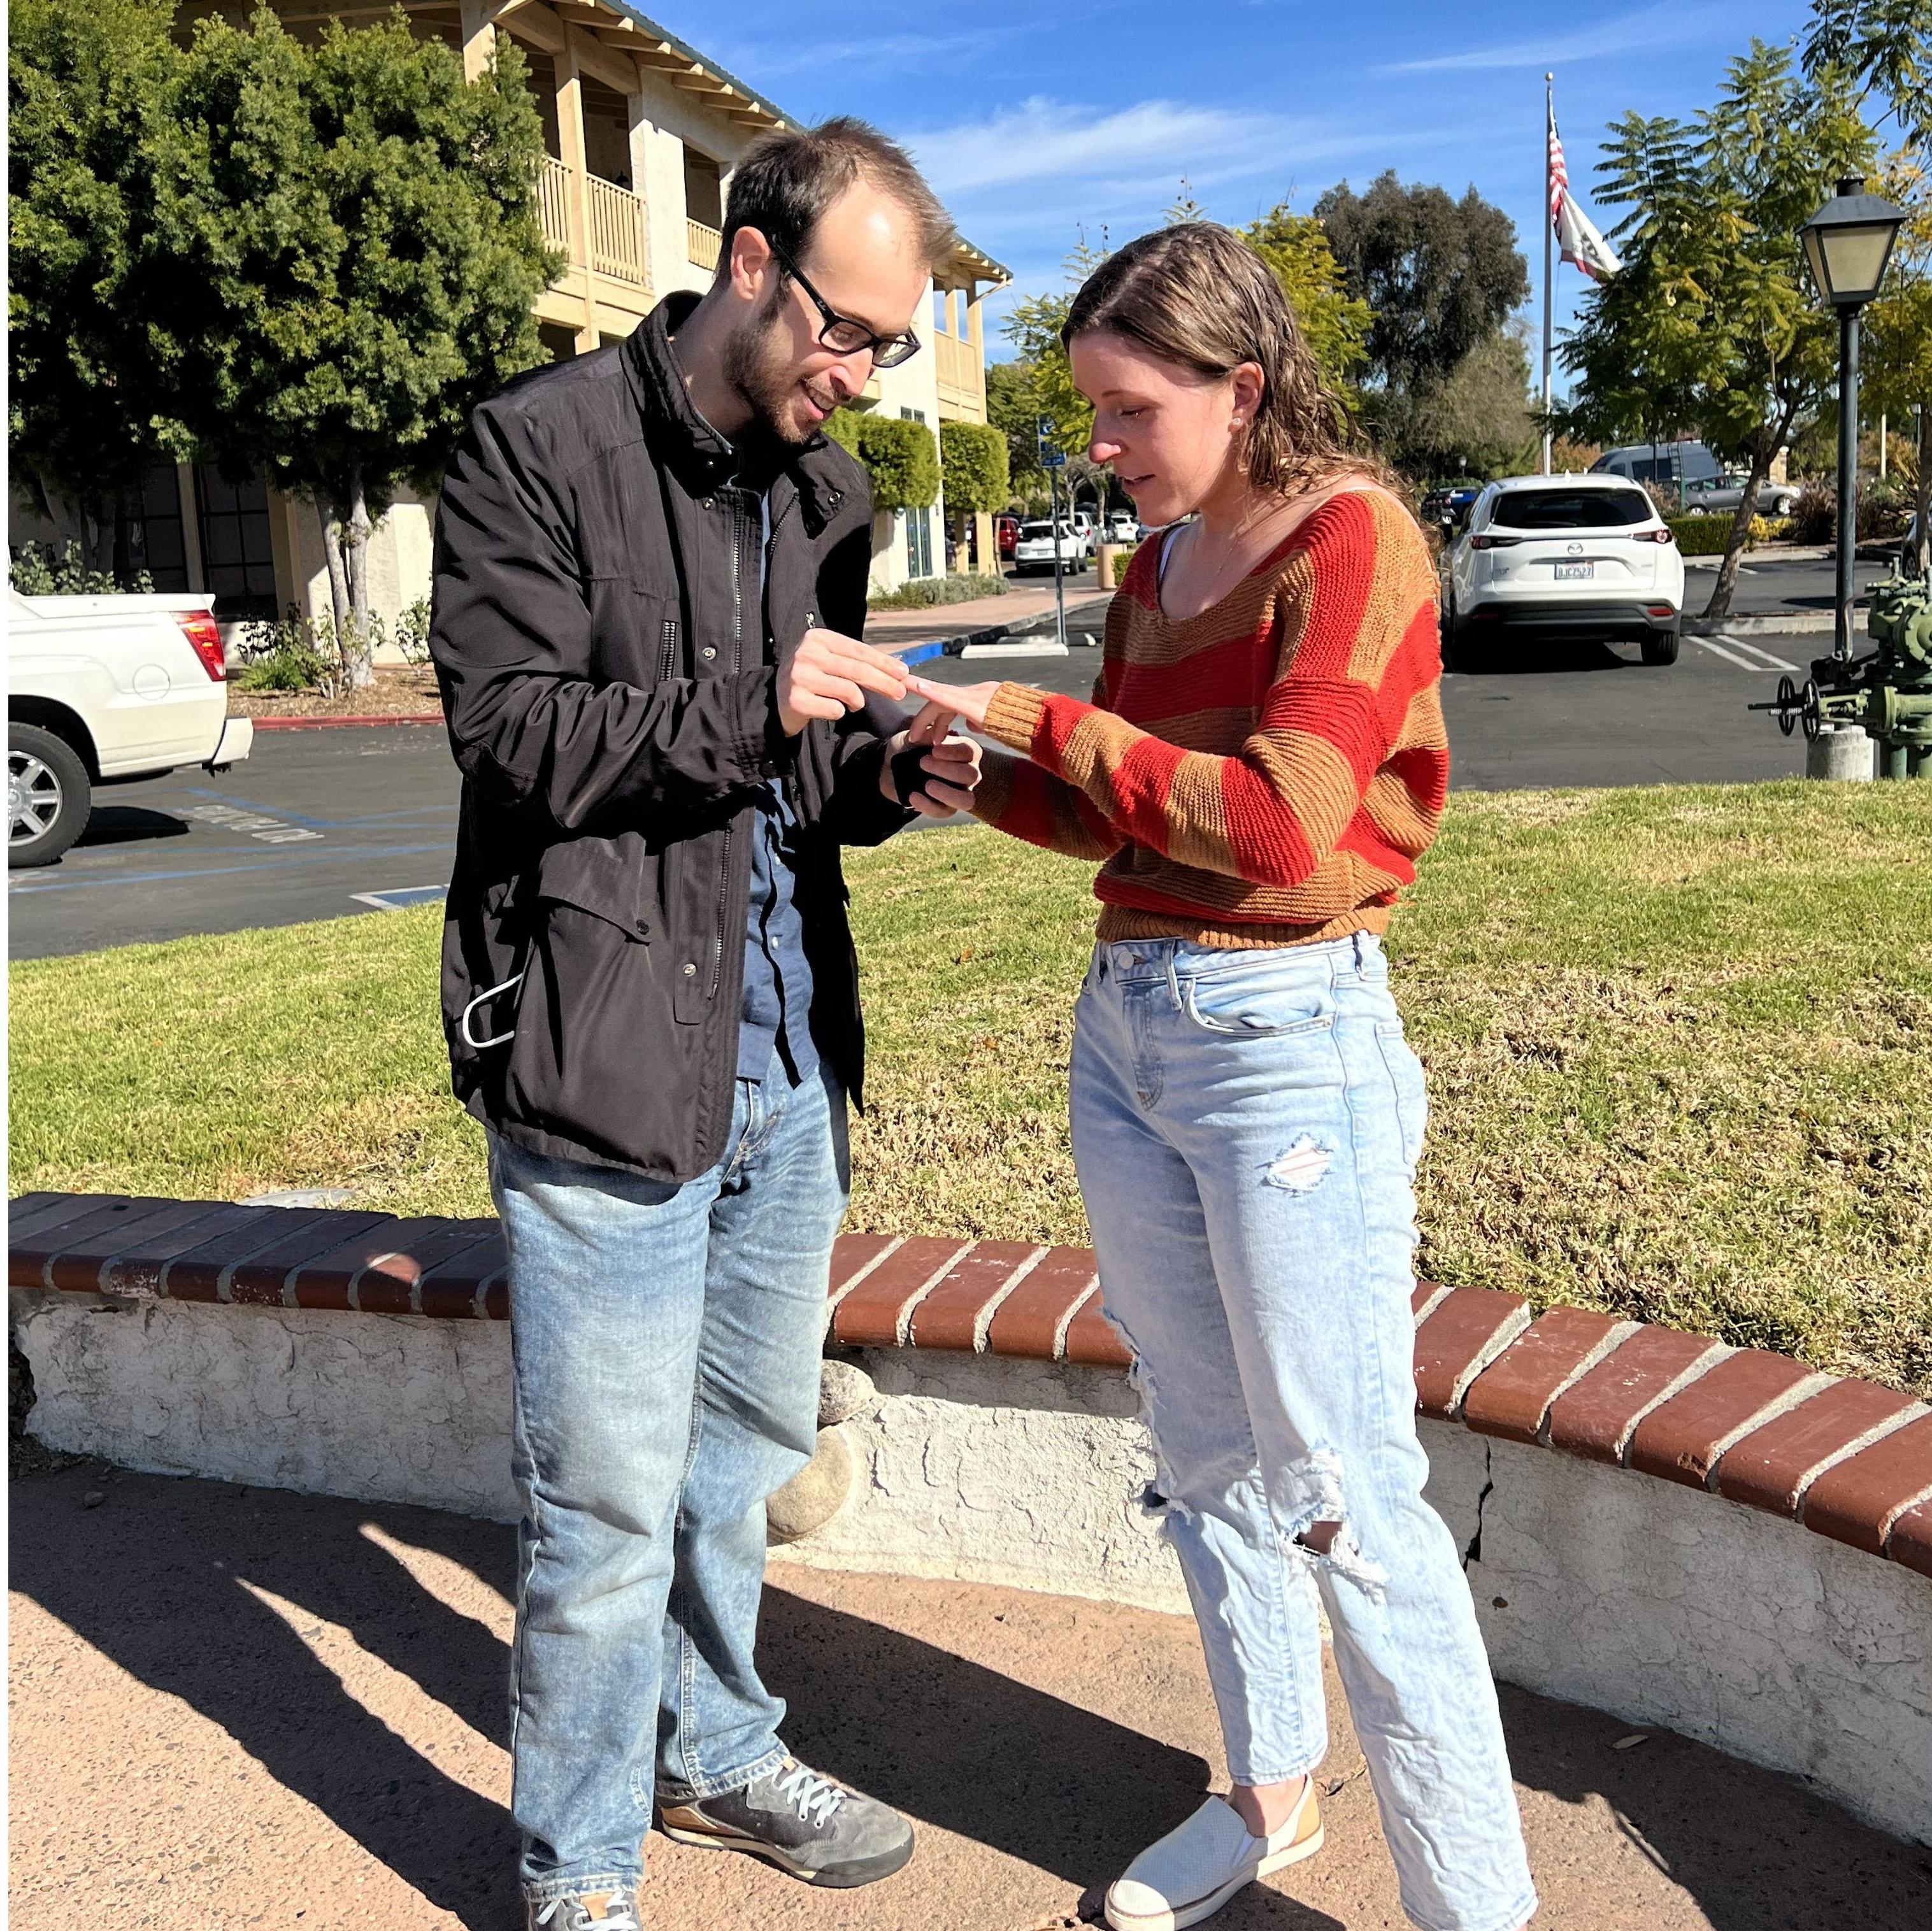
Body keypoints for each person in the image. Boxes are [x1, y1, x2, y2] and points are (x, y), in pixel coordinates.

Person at [906, 224, 1538, 1931]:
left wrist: (1038, 722)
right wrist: (969, 769)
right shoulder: (1151, 570)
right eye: (1090, 412)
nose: (1097, 445)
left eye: (1124, 409)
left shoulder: (1352, 539)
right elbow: (1122, 814)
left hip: (1287, 1047)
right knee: (1205, 1455)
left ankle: (1477, 1906)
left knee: (1342, 1491)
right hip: (1127, 1030)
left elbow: (1273, 826)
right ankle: (1267, 1794)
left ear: (1236, 386)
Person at [428, 118, 981, 1931]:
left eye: (892, 347)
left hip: (784, 1053)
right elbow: (512, 734)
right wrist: (758, 703)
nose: (866, 375)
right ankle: (578, 1870)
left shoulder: (824, 495)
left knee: (737, 1459)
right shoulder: (536, 445)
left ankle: (716, 1748)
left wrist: (890, 769)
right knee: (599, 1514)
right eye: (850, 332)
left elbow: (797, 770)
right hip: (598, 1048)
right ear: (751, 261)